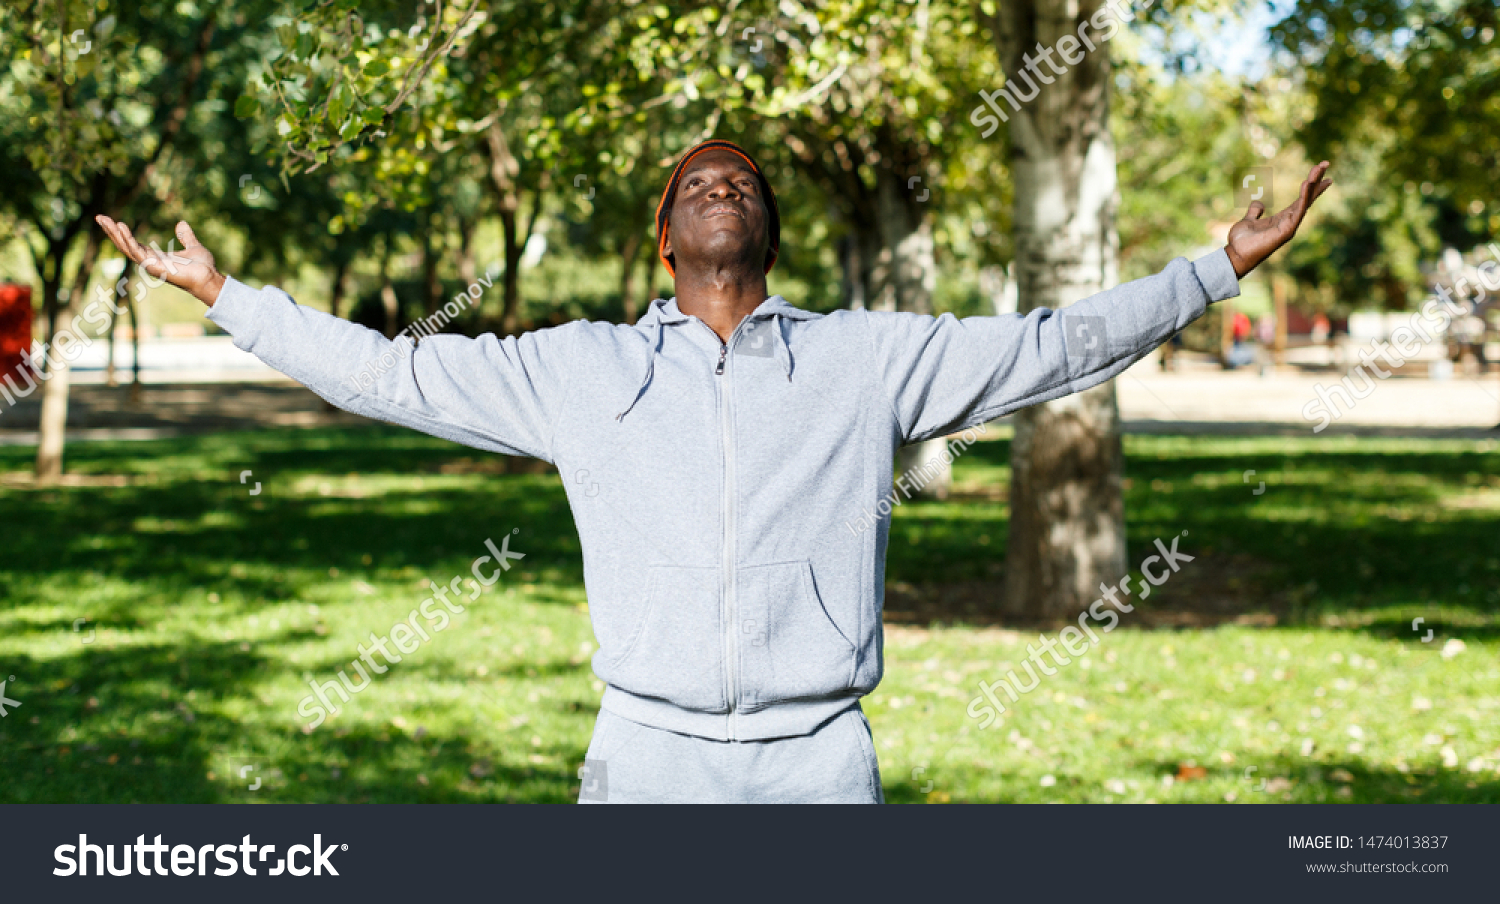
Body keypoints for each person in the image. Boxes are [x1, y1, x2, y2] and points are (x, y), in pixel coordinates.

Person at [96, 147, 1333, 803]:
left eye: (739, 177)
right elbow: (389, 376)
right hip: (644, 761)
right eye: (694, 180)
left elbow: (1050, 346)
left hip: (819, 761)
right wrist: (224, 296)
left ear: (765, 228)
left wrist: (1213, 268)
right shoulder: (575, 369)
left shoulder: (865, 358)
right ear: (664, 233)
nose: (718, 182)